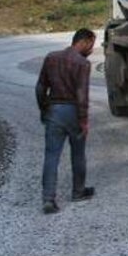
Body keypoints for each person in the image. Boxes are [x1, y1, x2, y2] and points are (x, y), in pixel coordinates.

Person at [36, 28, 97, 214]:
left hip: (54, 110)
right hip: (72, 111)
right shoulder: (82, 63)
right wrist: (84, 120)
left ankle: (48, 199)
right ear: (84, 41)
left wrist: (44, 109)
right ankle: (78, 192)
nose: (91, 49)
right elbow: (82, 95)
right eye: (91, 44)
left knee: (51, 155)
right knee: (78, 154)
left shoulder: (51, 57)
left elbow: (40, 87)